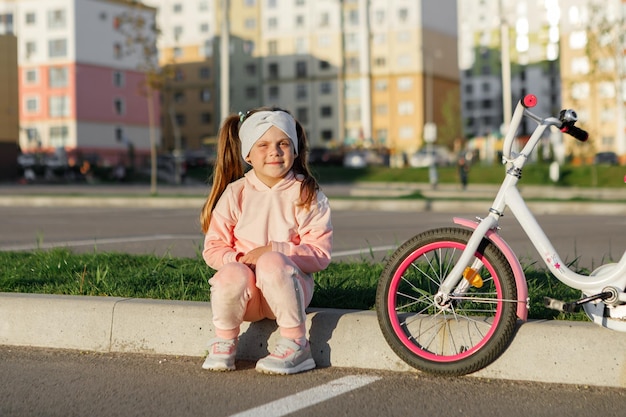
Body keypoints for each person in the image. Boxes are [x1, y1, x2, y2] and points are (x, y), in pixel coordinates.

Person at [199, 107, 333, 375]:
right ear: (248, 154)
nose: (275, 151)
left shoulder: (305, 192)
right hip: (246, 297)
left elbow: (320, 253)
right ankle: (224, 342)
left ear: (295, 151)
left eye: (283, 143)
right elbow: (213, 248)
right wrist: (236, 259)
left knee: (272, 261)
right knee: (230, 274)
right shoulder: (236, 192)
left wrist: (275, 250)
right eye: (263, 144)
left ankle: (297, 344)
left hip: (287, 291)